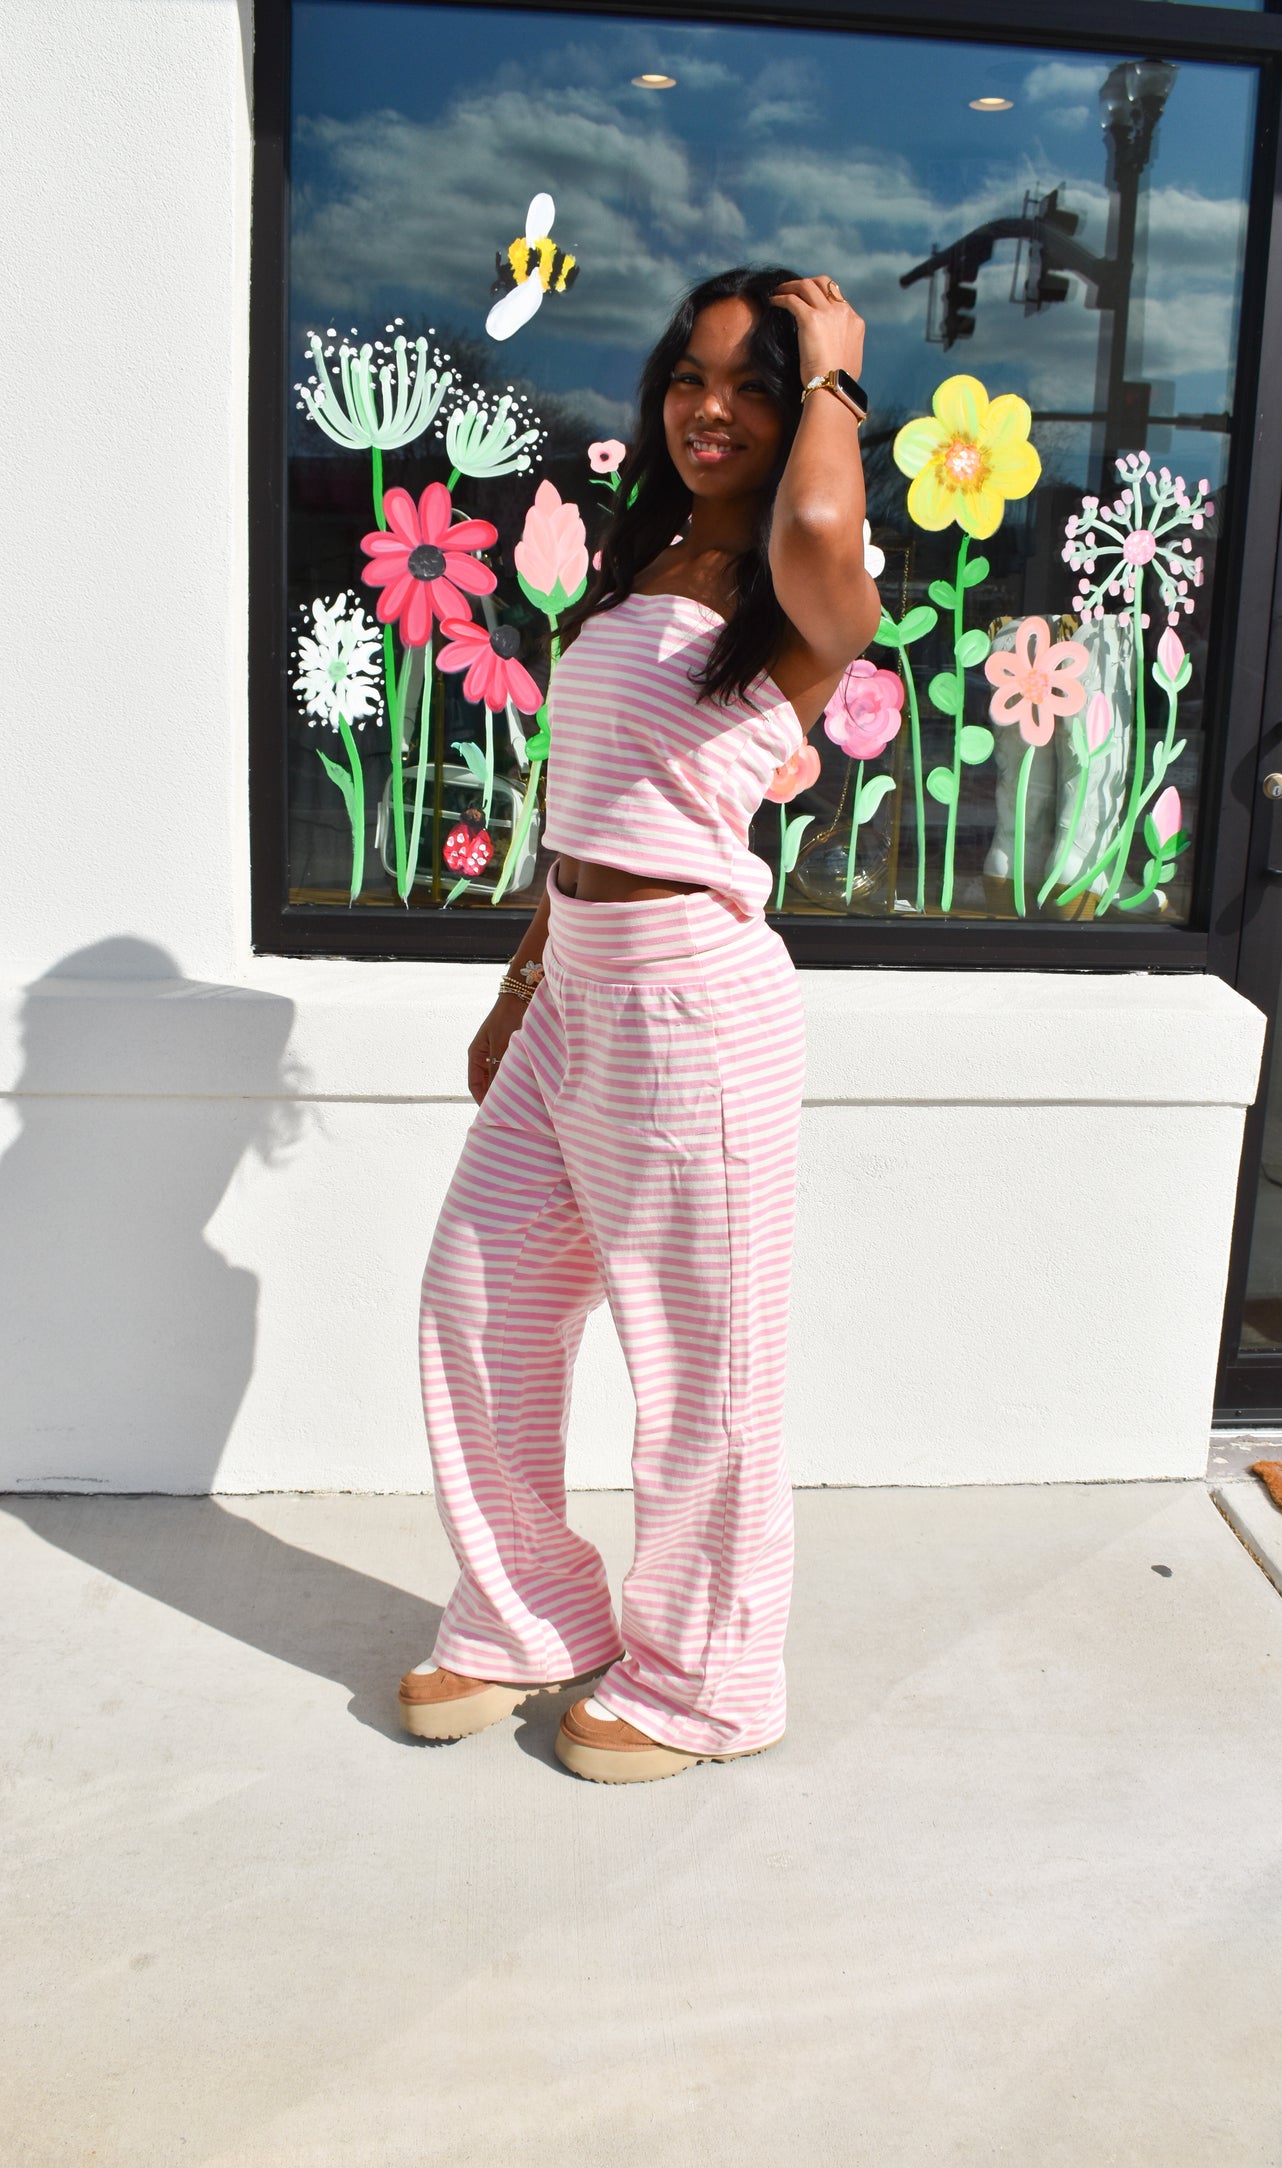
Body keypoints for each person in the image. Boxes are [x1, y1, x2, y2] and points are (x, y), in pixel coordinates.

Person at [399, 265, 880, 1782]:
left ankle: (710, 1679)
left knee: (702, 1368)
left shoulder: (804, 588)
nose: (710, 407)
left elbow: (815, 525)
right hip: (579, 995)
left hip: (691, 999)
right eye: (690, 375)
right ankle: (533, 1612)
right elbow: (585, 805)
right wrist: (520, 984)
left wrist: (844, 373)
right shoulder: (647, 558)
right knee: (476, 1308)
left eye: (757, 381)